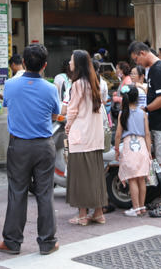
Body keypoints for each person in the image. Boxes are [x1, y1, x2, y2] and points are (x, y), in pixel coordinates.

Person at [0, 43, 60, 256]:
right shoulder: (51, 88)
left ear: (23, 63)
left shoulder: (11, 85)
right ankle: (48, 242)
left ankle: (12, 242)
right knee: (45, 193)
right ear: (45, 65)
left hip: (19, 145)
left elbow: (8, 105)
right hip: (44, 145)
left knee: (17, 192)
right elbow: (54, 115)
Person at [128, 41, 161, 217]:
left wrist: (145, 110)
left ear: (142, 53)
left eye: (136, 59)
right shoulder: (156, 69)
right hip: (160, 122)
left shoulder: (157, 69)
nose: (137, 64)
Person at [64, 49, 108, 225]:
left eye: (72, 59)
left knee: (80, 176)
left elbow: (72, 109)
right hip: (95, 136)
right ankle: (98, 213)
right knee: (96, 175)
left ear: (78, 64)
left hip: (81, 136)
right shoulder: (94, 82)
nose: (69, 62)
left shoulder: (77, 84)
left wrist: (67, 125)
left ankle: (82, 215)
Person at [114, 84, 151, 216]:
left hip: (129, 146)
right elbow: (147, 134)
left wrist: (117, 149)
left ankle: (135, 208)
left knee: (132, 179)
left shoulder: (122, 114)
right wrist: (149, 151)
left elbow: (118, 134)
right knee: (141, 179)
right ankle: (142, 207)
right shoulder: (143, 113)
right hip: (142, 147)